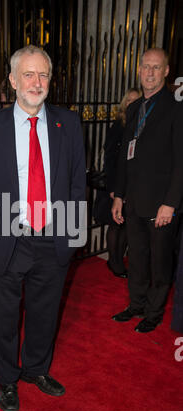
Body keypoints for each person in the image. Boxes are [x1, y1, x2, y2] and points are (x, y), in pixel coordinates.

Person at [0, 45, 86, 411]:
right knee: (3, 315)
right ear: (13, 81)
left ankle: (36, 369)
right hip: (5, 234)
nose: (37, 82)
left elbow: (78, 184)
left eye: (43, 74)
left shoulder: (70, 123)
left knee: (44, 311)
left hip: (54, 235)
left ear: (51, 80)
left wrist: (73, 236)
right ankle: (6, 379)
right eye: (29, 74)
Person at [111, 48, 183, 333]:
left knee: (160, 262)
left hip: (162, 204)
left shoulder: (177, 108)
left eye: (156, 67)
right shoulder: (133, 108)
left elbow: (181, 161)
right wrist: (118, 194)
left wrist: (171, 203)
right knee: (138, 257)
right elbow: (124, 158)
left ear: (166, 71)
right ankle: (137, 304)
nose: (150, 73)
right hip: (134, 200)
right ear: (138, 70)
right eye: (145, 67)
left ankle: (153, 313)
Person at [94, 88, 141, 278]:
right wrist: (114, 189)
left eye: (135, 101)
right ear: (124, 103)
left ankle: (118, 259)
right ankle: (114, 263)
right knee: (116, 224)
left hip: (134, 184)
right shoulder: (119, 125)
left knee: (127, 224)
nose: (131, 104)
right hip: (117, 183)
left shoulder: (141, 124)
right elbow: (110, 158)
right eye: (128, 100)